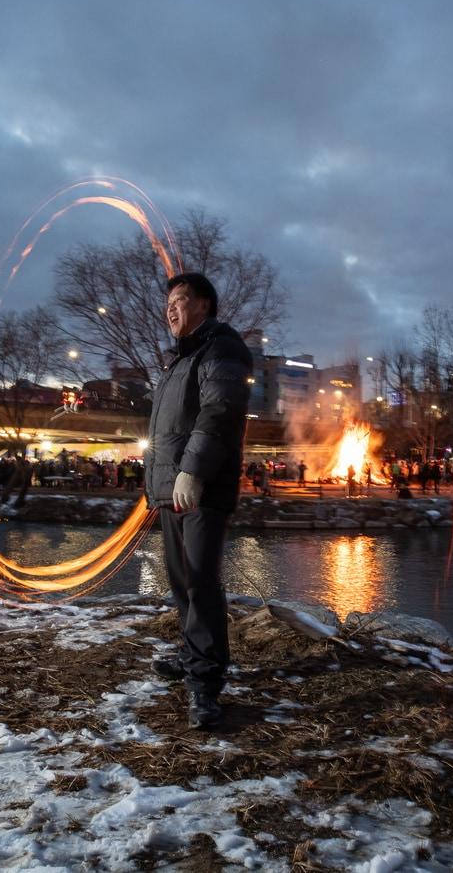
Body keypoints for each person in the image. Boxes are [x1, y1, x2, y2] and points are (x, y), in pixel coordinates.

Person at [144, 272, 253, 729]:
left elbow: (219, 412)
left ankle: (205, 683)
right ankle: (193, 655)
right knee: (181, 580)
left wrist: (192, 471)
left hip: (200, 487)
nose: (171, 308)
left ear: (204, 305)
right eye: (168, 301)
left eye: (181, 299)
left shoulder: (221, 349)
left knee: (200, 583)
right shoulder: (179, 361)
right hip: (172, 488)